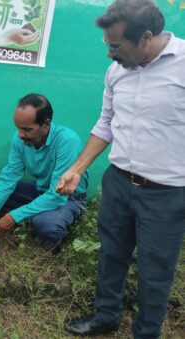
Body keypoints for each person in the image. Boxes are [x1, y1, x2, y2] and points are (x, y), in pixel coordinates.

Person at [56, 1, 185, 337]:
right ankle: (105, 317)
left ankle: (146, 332)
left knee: (154, 270)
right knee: (111, 255)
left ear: (145, 37)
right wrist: (77, 167)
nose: (109, 55)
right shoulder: (117, 70)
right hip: (118, 183)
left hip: (167, 193)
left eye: (115, 46)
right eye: (106, 45)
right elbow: (107, 123)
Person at [0, 93, 88, 253]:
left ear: (46, 124)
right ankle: (34, 215)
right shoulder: (20, 139)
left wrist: (14, 216)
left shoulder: (67, 141)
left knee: (47, 226)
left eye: (27, 129)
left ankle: (48, 223)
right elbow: (8, 178)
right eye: (18, 127)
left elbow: (57, 196)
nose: (20, 134)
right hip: (39, 192)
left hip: (67, 199)